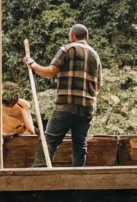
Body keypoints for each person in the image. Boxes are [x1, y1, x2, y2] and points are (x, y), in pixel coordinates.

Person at [23, 24, 102, 167]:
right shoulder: (95, 56)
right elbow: (97, 86)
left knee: (50, 141)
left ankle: (39, 175)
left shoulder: (67, 49)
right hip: (87, 108)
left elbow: (49, 72)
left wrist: (32, 64)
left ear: (72, 36)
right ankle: (77, 181)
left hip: (66, 105)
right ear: (85, 37)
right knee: (80, 145)